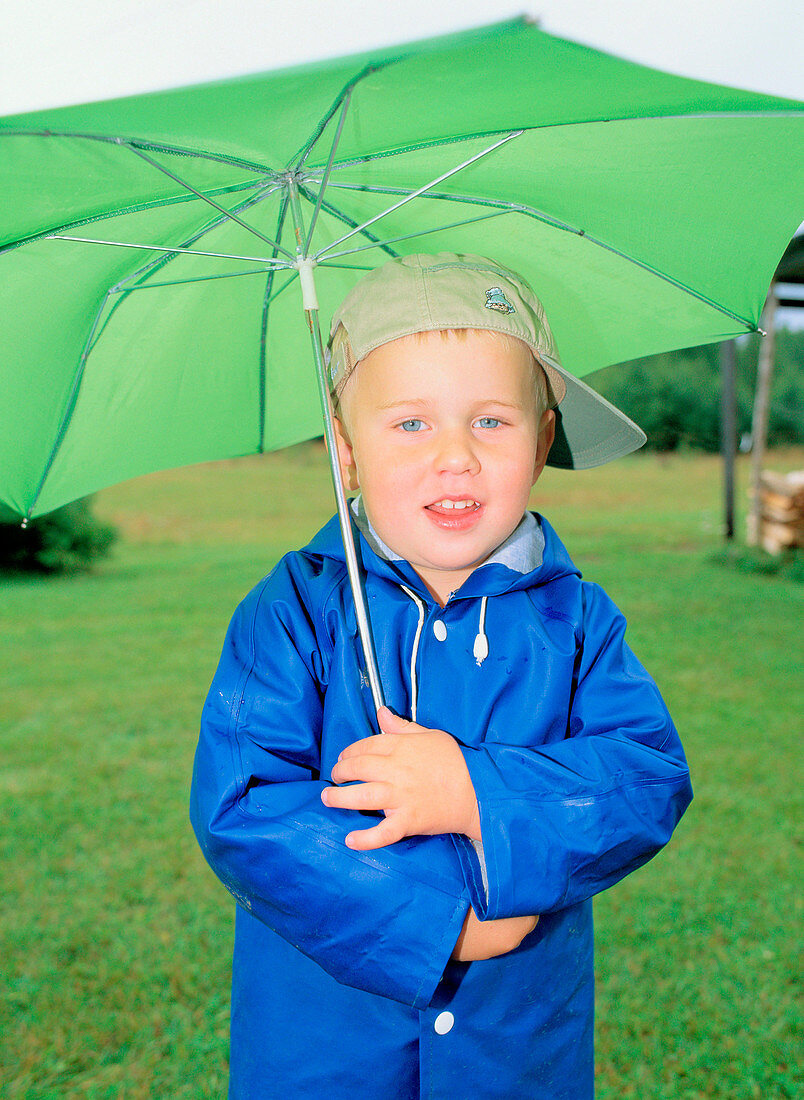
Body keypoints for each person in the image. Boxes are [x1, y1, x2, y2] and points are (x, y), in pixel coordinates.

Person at [190, 253, 692, 1099]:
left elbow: (645, 774)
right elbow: (242, 810)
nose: (454, 456)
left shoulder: (577, 621)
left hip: (516, 1044)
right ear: (347, 452)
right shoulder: (292, 613)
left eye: (491, 422)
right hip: (325, 1049)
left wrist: (476, 791)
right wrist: (442, 920)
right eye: (411, 424)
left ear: (541, 441)